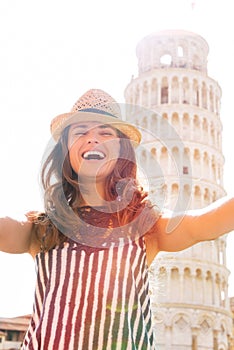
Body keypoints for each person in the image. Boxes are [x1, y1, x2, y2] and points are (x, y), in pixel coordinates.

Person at [0, 88, 234, 350]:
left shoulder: (144, 227)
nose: (93, 139)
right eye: (81, 132)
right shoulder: (43, 228)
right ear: (66, 149)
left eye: (105, 132)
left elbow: (204, 223)